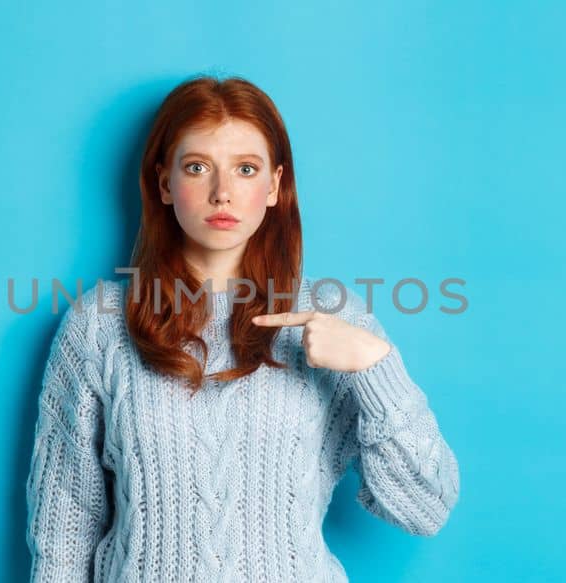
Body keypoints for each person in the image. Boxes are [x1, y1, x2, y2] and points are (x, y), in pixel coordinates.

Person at [24, 75, 460, 582]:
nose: (222, 193)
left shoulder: (332, 317)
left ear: (274, 186)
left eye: (245, 169)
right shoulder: (99, 325)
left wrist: (376, 368)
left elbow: (425, 509)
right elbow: (64, 526)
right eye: (198, 167)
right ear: (164, 182)